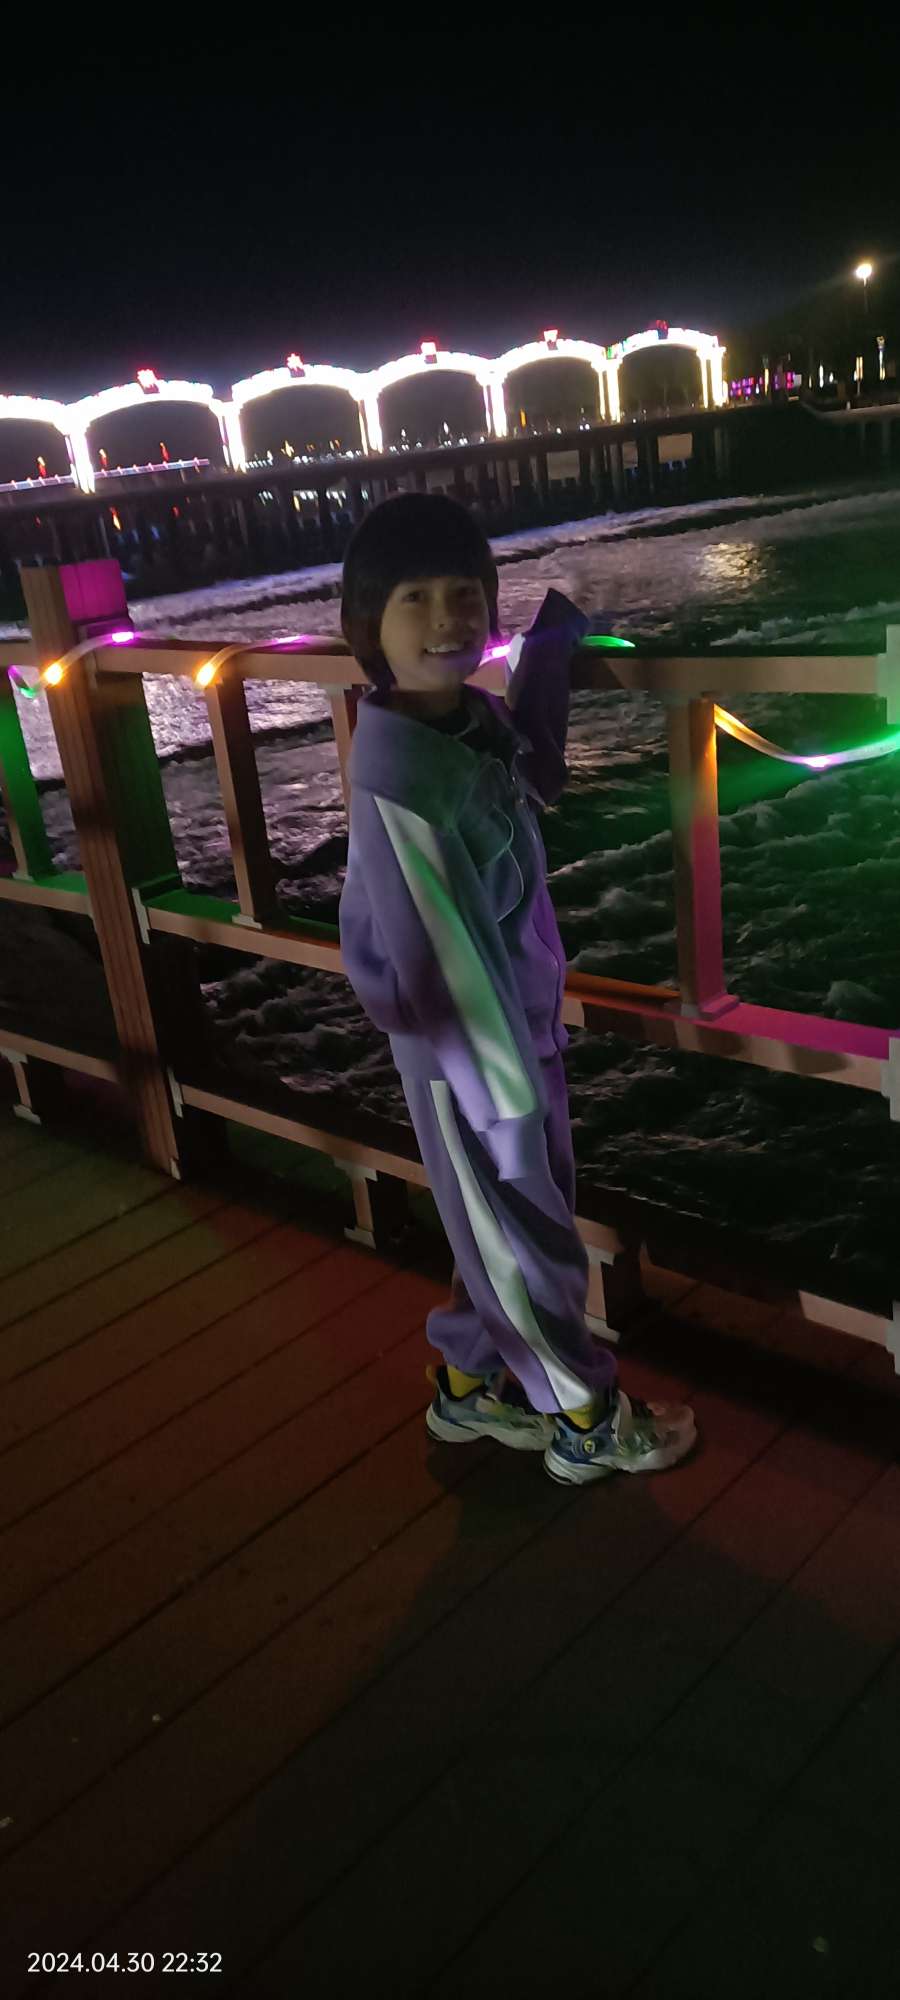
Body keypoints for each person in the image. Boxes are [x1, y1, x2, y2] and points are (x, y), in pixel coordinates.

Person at [338, 494, 697, 1485]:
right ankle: (585, 1421)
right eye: (416, 599)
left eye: (465, 593)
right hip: (471, 1068)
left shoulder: (465, 723)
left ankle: (467, 1387)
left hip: (514, 1032)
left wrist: (549, 647)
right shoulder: (401, 784)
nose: (448, 616)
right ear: (368, 627)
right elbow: (436, 974)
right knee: (529, 1241)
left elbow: (530, 769)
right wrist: (508, 1107)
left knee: (498, 1231)